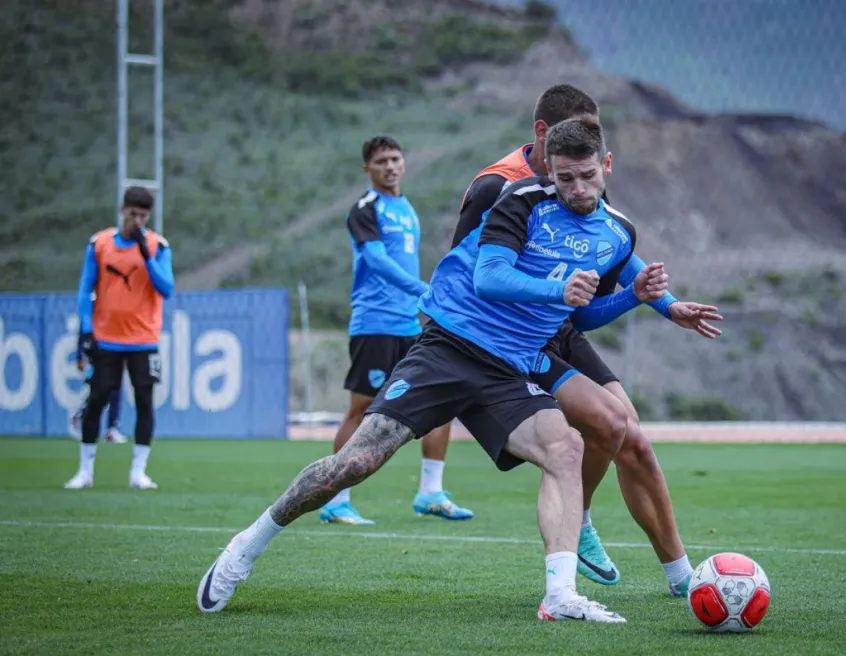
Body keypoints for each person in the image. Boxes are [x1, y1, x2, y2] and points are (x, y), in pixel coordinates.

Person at [197, 116, 666, 623]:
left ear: (606, 166)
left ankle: (559, 596)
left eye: (586, 176)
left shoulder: (616, 232)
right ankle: (247, 545)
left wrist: (634, 299)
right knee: (356, 463)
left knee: (566, 448)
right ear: (548, 169)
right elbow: (488, 279)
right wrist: (560, 290)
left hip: (510, 369)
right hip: (451, 347)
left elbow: (581, 314)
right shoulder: (519, 200)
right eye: (564, 177)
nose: (576, 187)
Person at [457, 84, 722, 596]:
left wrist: (668, 305)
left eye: (594, 156)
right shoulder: (499, 188)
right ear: (545, 138)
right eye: (575, 154)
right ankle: (574, 521)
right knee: (607, 425)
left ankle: (681, 579)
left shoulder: (581, 179)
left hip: (562, 323)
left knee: (633, 438)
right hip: (511, 335)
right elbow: (468, 274)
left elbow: (616, 254)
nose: (583, 176)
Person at [316, 135, 473, 525]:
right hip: (376, 323)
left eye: (395, 158)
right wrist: (423, 290)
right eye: (381, 160)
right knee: (361, 408)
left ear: (404, 163)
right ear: (367, 168)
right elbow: (377, 261)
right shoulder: (365, 208)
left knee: (443, 400)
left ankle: (431, 492)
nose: (390, 165)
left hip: (409, 324)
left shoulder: (407, 208)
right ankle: (336, 499)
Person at [64, 186, 174, 490]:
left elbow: (166, 288)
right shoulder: (98, 244)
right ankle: (85, 471)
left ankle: (138, 472)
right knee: (96, 400)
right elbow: (86, 289)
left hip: (143, 340)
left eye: (143, 215)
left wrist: (145, 255)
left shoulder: (157, 246)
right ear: (122, 209)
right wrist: (86, 329)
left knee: (144, 402)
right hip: (106, 339)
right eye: (132, 213)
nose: (137, 220)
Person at [69, 327, 127, 445]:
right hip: (99, 348)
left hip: (115, 347)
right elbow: (84, 327)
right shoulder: (94, 312)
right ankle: (81, 414)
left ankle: (112, 427)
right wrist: (80, 356)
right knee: (101, 389)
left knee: (115, 388)